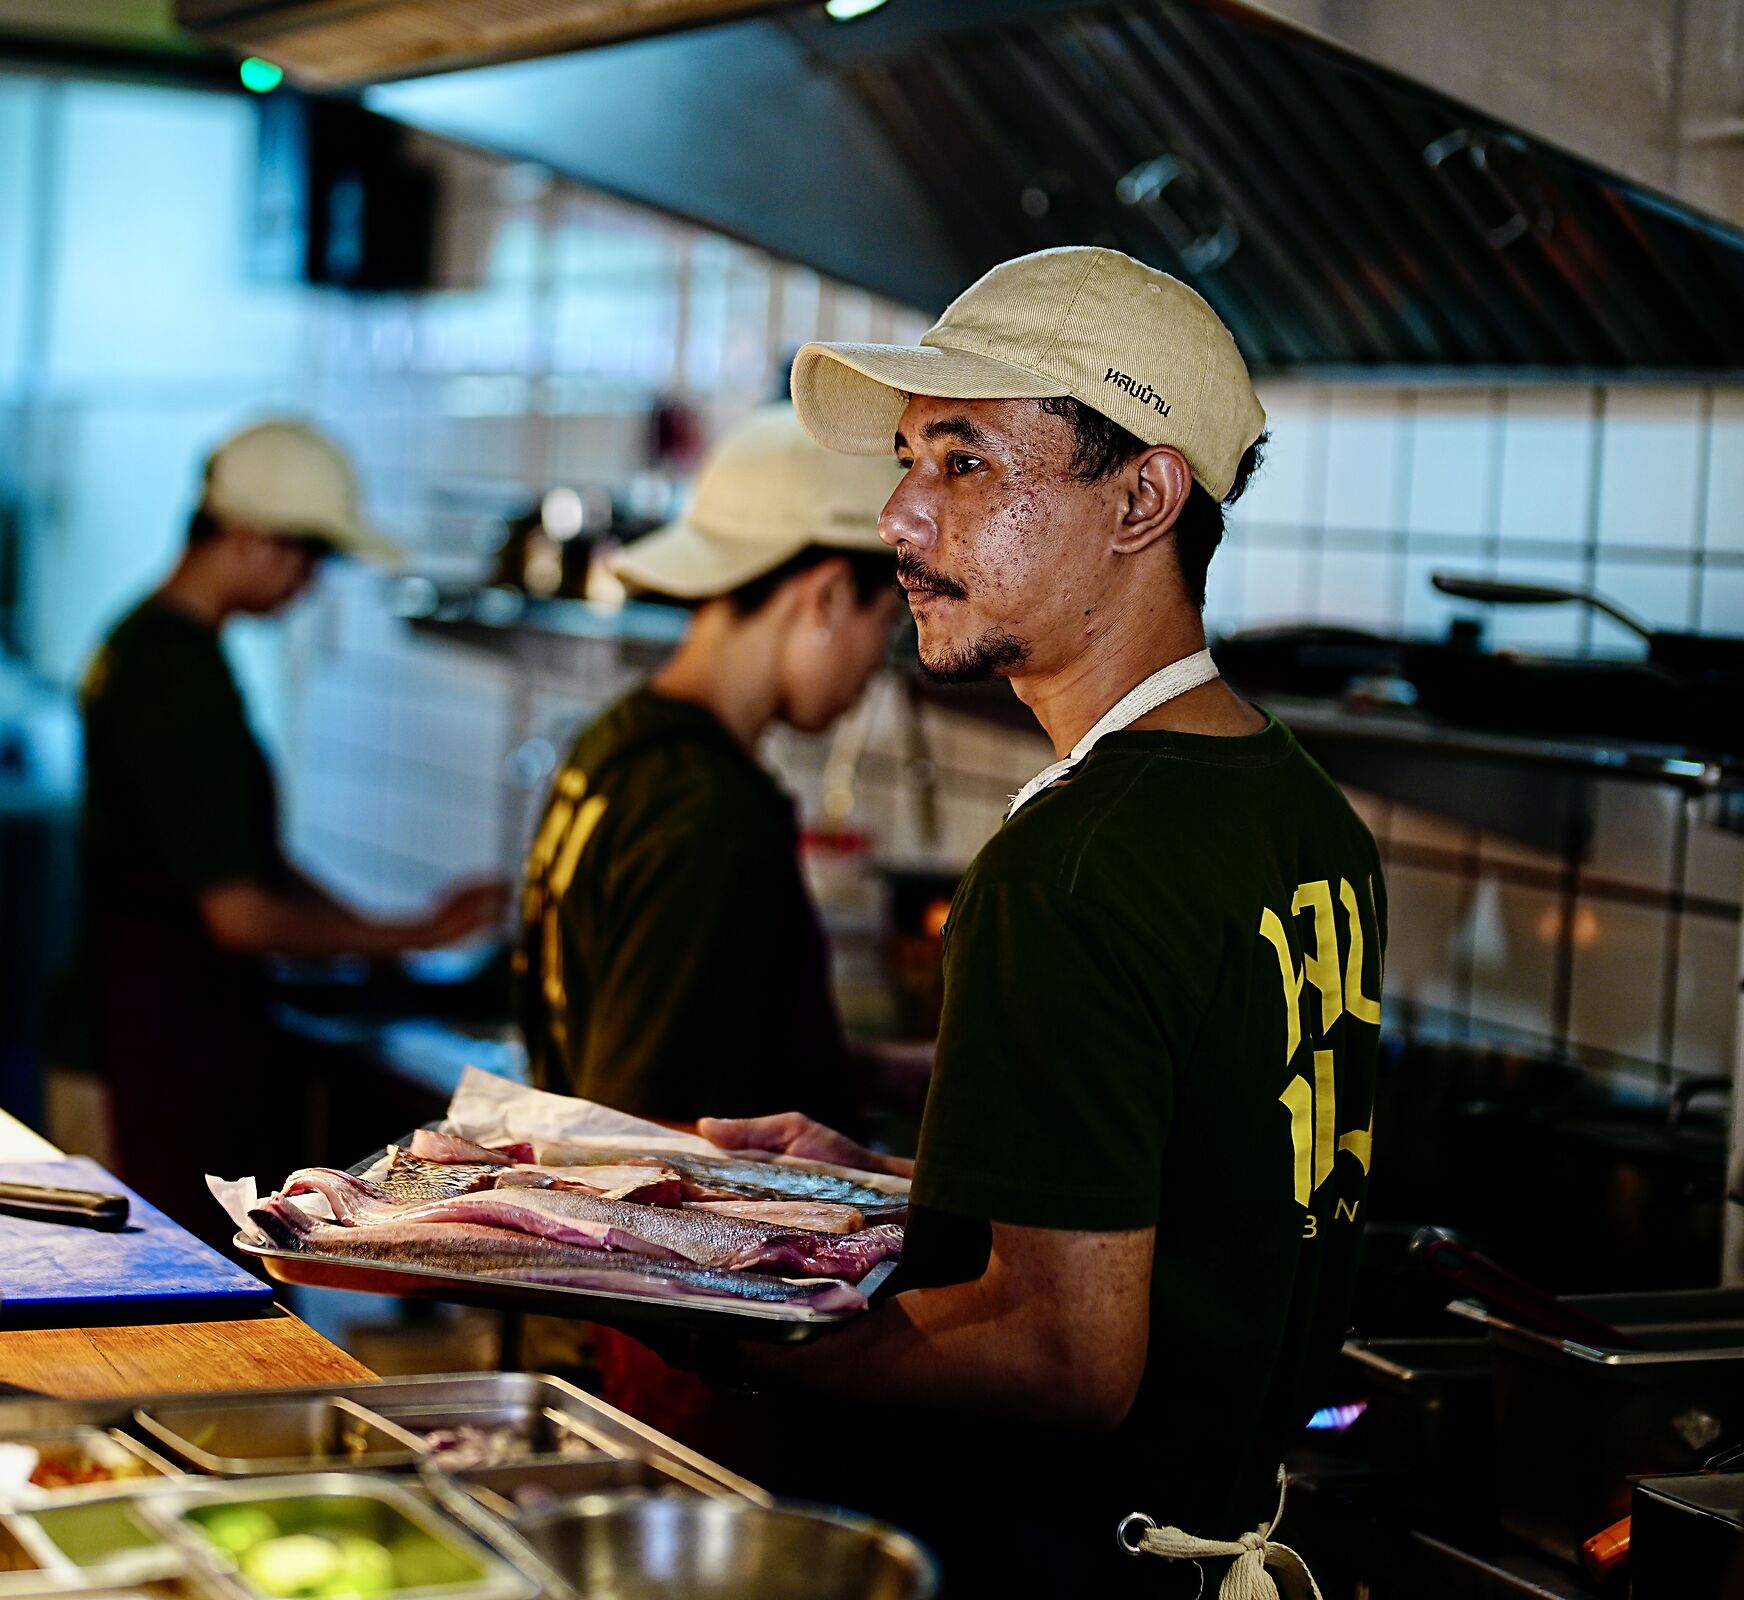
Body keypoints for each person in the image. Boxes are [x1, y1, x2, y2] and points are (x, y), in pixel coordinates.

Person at [695, 247, 1384, 1596]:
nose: (897, 515)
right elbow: (1184, 1221)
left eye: (964, 465)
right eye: (907, 461)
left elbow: (1065, 1354)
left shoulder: (1064, 869)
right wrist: (904, 1189)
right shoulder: (1301, 815)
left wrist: (741, 1330)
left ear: (1142, 497)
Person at [80, 419, 505, 1245]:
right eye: (309, 558)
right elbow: (237, 911)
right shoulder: (175, 677)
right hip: (161, 1049)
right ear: (247, 540)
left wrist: (389, 936)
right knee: (168, 1316)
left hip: (164, 1035)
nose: (310, 585)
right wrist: (409, 930)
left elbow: (243, 859)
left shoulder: (154, 645)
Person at [516, 404, 908, 1134]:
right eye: (883, 624)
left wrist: (890, 1073)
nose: (872, 669)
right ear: (824, 596)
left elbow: (701, 1040)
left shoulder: (619, 743)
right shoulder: (711, 810)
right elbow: (645, 1128)